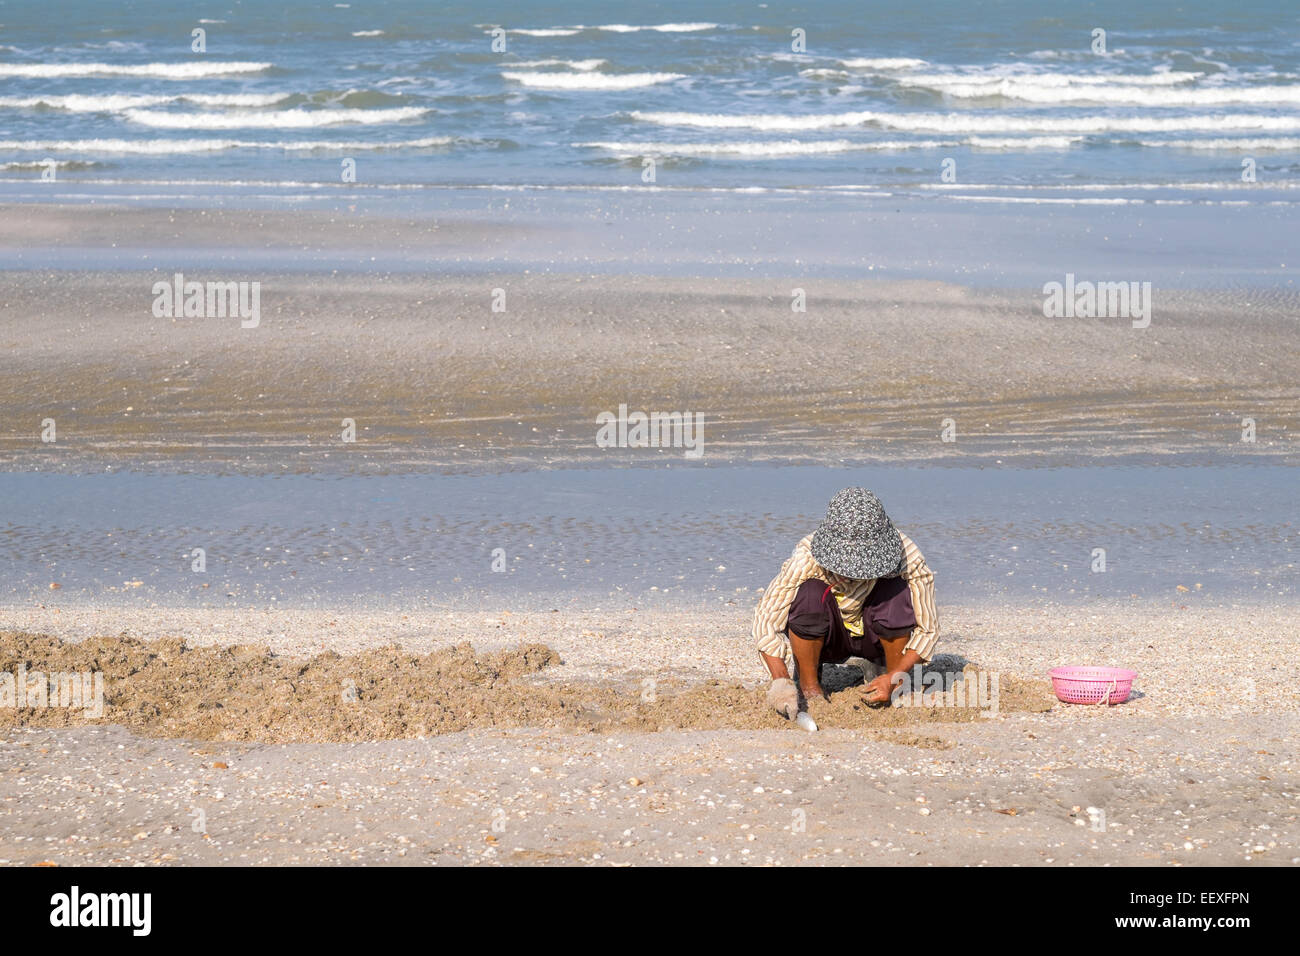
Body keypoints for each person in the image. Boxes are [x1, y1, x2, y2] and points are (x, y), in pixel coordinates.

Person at [752, 487, 939, 718]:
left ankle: (889, 677)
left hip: (877, 638)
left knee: (895, 593)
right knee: (809, 594)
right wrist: (781, 682)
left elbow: (928, 629)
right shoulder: (806, 558)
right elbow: (766, 622)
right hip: (828, 638)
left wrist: (896, 676)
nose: (851, 573)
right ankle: (810, 688)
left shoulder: (907, 555)